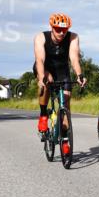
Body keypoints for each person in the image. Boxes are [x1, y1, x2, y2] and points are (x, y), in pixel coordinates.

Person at [33, 13, 86, 157]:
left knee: (66, 101)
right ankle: (44, 115)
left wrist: (79, 75)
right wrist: (41, 77)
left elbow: (74, 58)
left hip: (62, 70)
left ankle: (65, 139)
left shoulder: (73, 37)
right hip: (46, 68)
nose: (62, 33)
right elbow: (39, 59)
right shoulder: (41, 37)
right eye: (58, 29)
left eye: (65, 29)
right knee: (45, 83)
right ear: (51, 27)